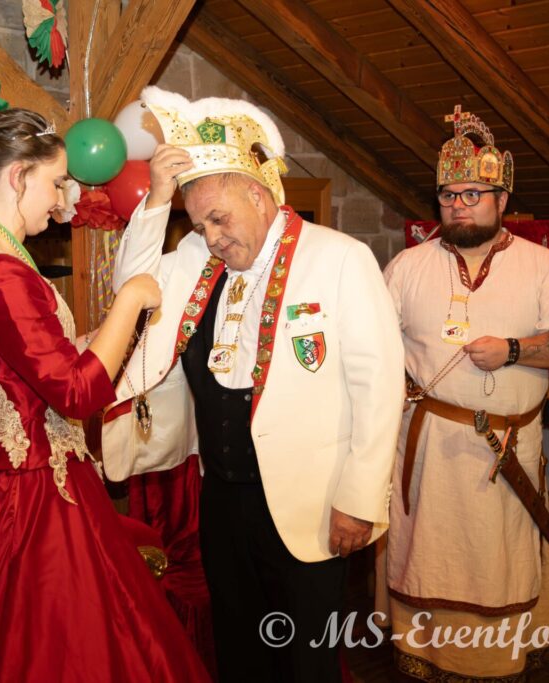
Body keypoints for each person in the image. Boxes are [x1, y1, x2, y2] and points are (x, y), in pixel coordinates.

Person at [0, 108, 211, 682]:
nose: (63, 200)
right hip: (31, 494)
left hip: (11, 479)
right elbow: (77, 394)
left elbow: (28, 367)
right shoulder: (0, 271)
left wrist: (91, 340)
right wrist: (129, 301)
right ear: (18, 177)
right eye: (56, 182)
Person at [101, 86, 404, 683]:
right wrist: (158, 200)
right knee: (240, 652)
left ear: (260, 196)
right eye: (199, 222)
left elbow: (379, 385)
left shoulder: (340, 258)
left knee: (308, 663)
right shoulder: (195, 258)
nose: (212, 235)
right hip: (222, 497)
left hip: (311, 500)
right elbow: (131, 288)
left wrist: (359, 499)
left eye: (220, 218)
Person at [381, 105, 549, 681]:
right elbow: (373, 349)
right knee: (426, 551)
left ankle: (497, 657)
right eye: (448, 195)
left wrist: (514, 350)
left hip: (507, 449)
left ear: (502, 198)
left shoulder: (543, 266)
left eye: (473, 194)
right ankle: (425, 652)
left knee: (500, 557)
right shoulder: (407, 266)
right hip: (427, 449)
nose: (459, 205)